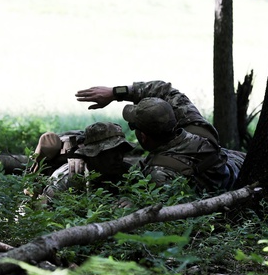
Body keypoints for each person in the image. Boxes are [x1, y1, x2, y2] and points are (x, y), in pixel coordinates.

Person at [75, 81, 244, 192]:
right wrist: (115, 92)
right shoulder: (197, 127)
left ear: (143, 137)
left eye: (133, 126)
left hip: (233, 188)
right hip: (239, 163)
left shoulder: (160, 174)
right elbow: (164, 90)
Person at [33, 122, 137, 198]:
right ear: (93, 154)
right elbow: (43, 212)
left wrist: (131, 202)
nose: (119, 157)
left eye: (122, 150)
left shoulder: (127, 173)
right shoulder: (66, 177)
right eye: (111, 151)